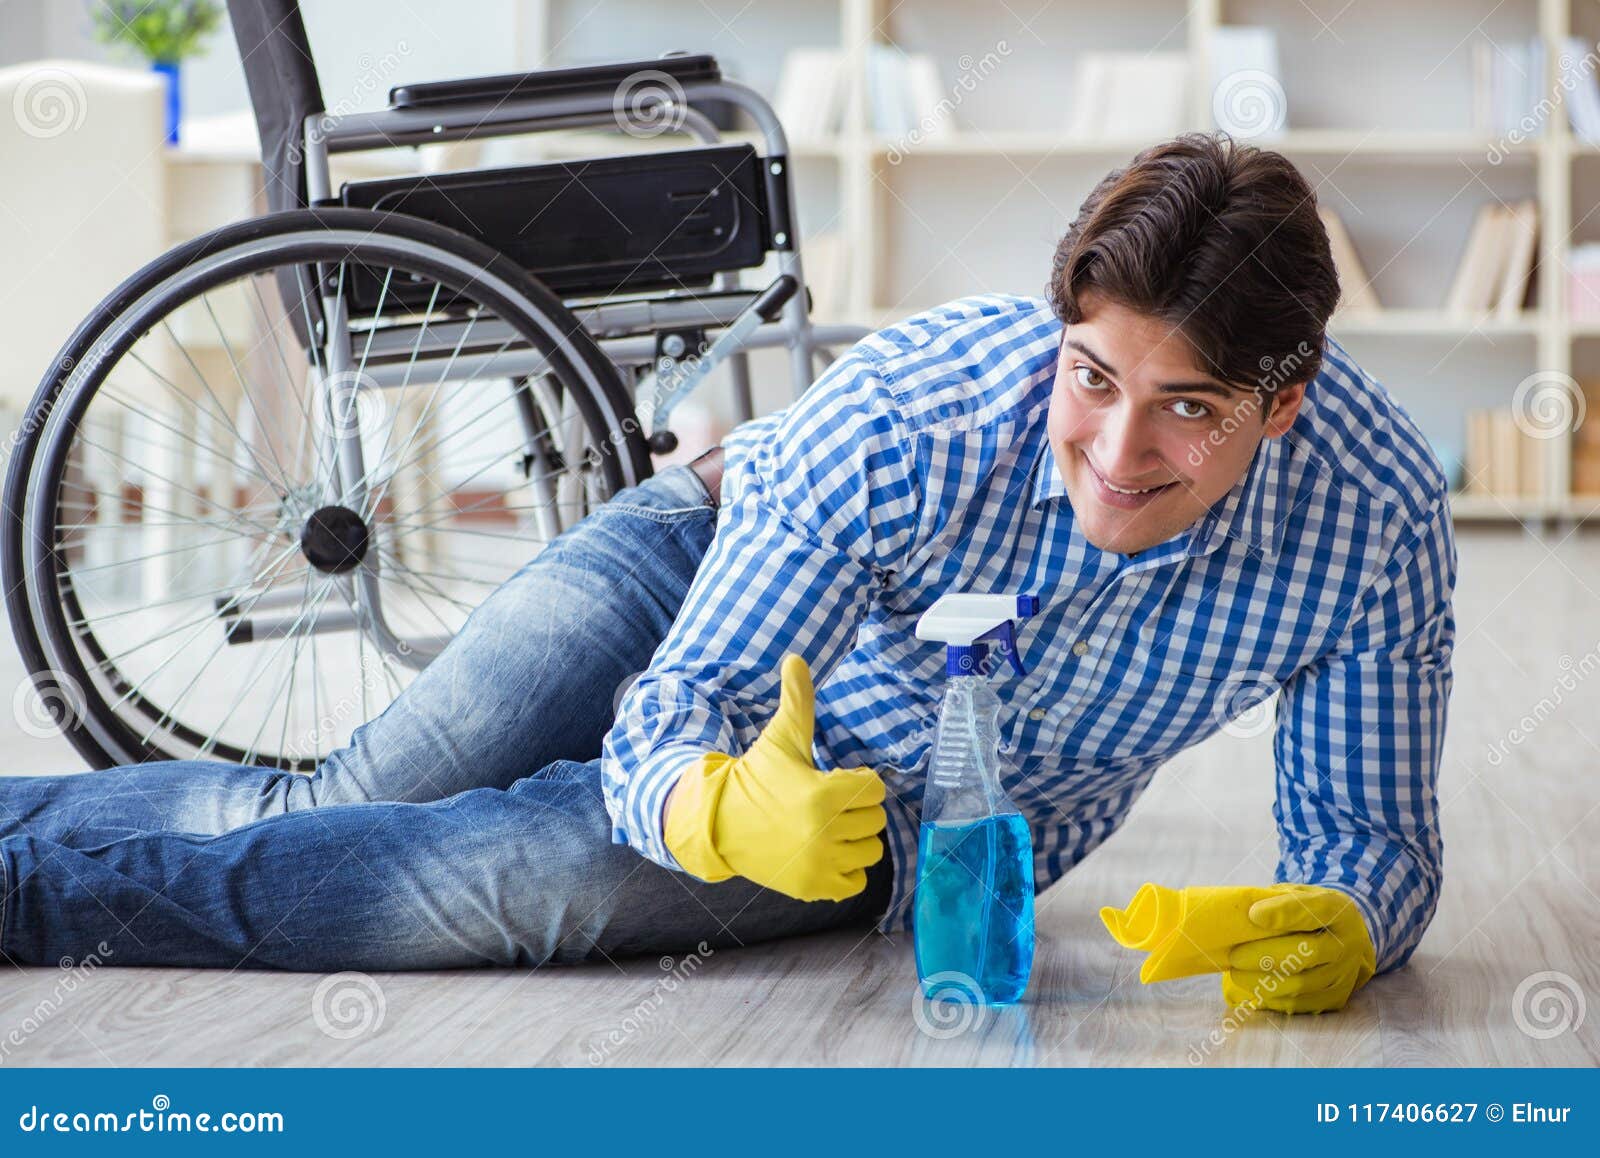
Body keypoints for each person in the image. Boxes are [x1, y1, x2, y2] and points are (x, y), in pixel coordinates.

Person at [0, 133, 1453, 1014]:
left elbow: (1372, 837)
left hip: (883, 819)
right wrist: (704, 794)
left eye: (1191, 407)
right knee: (354, 797)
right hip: (695, 560)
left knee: (494, 882)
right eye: (1092, 379)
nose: (1120, 450)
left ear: (1289, 396)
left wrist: (1339, 919)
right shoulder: (920, 417)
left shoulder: (1374, 525)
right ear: (1057, 329)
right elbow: (680, 702)